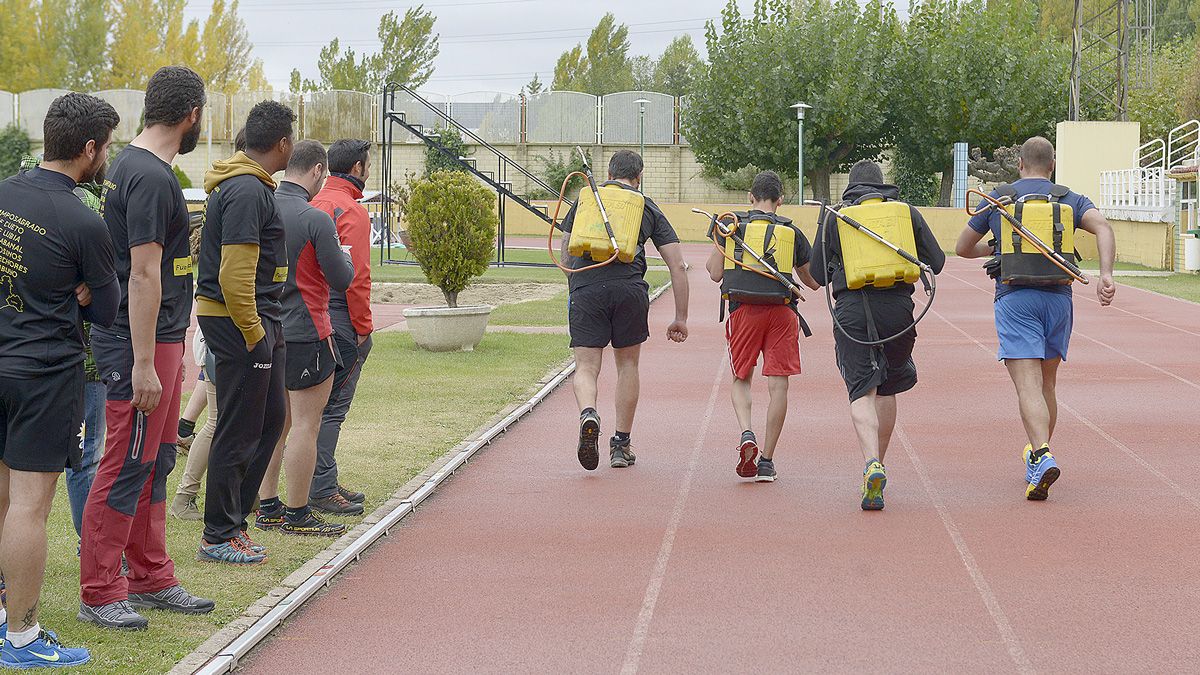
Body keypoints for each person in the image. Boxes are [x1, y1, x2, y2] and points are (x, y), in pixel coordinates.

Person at [80, 66, 215, 629]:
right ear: (192, 116)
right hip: (135, 343)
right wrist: (142, 362)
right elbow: (142, 273)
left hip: (157, 337)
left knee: (155, 460)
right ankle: (100, 589)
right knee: (125, 460)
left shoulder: (135, 167)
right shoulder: (150, 176)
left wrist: (171, 346)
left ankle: (151, 574)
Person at [0, 92, 120, 669]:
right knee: (29, 505)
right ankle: (22, 637)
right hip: (45, 374)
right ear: (89, 148)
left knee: (2, 497)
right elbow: (106, 309)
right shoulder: (82, 218)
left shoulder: (2, 193)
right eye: (106, 147)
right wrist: (78, 291)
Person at [955, 136, 1116, 500]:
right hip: (1059, 299)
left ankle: (1041, 454)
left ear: (1020, 165)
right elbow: (1104, 227)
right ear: (1052, 165)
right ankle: (1038, 455)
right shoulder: (1070, 198)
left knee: (1027, 384)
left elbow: (962, 248)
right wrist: (1106, 275)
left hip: (1016, 298)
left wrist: (994, 246)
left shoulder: (1001, 199)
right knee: (1047, 384)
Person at [811, 160, 946, 510]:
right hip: (899, 309)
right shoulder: (906, 212)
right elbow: (938, 261)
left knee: (861, 390)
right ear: (883, 185)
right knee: (888, 386)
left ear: (850, 188)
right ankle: (880, 467)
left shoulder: (835, 216)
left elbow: (816, 274)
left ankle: (870, 462)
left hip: (853, 309)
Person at [195, 101, 296, 564]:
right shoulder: (245, 190)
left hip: (259, 318)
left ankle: (235, 520)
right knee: (240, 425)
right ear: (282, 144)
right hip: (240, 321)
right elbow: (236, 274)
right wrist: (254, 332)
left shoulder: (255, 187)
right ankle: (219, 533)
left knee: (272, 418)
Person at [557, 150, 689, 471]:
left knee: (586, 367)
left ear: (609, 172)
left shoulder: (588, 200)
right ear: (639, 177)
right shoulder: (645, 206)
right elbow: (677, 265)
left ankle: (589, 412)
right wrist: (680, 317)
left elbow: (564, 253)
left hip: (587, 288)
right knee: (627, 366)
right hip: (630, 290)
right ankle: (620, 445)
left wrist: (580, 285)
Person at [256, 141, 353, 536]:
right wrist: (343, 254)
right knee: (304, 427)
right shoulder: (315, 218)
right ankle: (297, 512)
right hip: (308, 331)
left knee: (274, 425)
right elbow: (342, 278)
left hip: (266, 327)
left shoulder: (262, 207)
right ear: (316, 171)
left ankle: (267, 506)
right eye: (324, 175)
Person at [705, 171, 818, 482]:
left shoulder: (732, 227)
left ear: (749, 198)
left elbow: (715, 272)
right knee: (778, 386)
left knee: (741, 378)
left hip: (743, 311)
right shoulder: (791, 232)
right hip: (782, 312)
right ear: (780, 201)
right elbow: (813, 282)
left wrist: (726, 240)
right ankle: (767, 461)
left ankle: (746, 431)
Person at [17, 154, 104, 539]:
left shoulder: (15, 196)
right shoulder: (83, 205)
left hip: (28, 352)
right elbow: (108, 282)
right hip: (74, 359)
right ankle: (92, 549)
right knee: (83, 460)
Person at [170, 128, 246, 522]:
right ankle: (185, 495)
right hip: (222, 325)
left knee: (217, 410)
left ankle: (194, 490)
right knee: (218, 419)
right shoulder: (237, 198)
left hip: (215, 325)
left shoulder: (221, 195)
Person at [308, 139, 374, 515]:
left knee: (305, 409)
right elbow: (357, 277)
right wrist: (364, 328)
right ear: (358, 169)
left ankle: (322, 478)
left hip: (309, 312)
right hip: (341, 316)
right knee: (332, 408)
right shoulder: (351, 210)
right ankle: (322, 486)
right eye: (367, 166)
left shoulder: (313, 202)